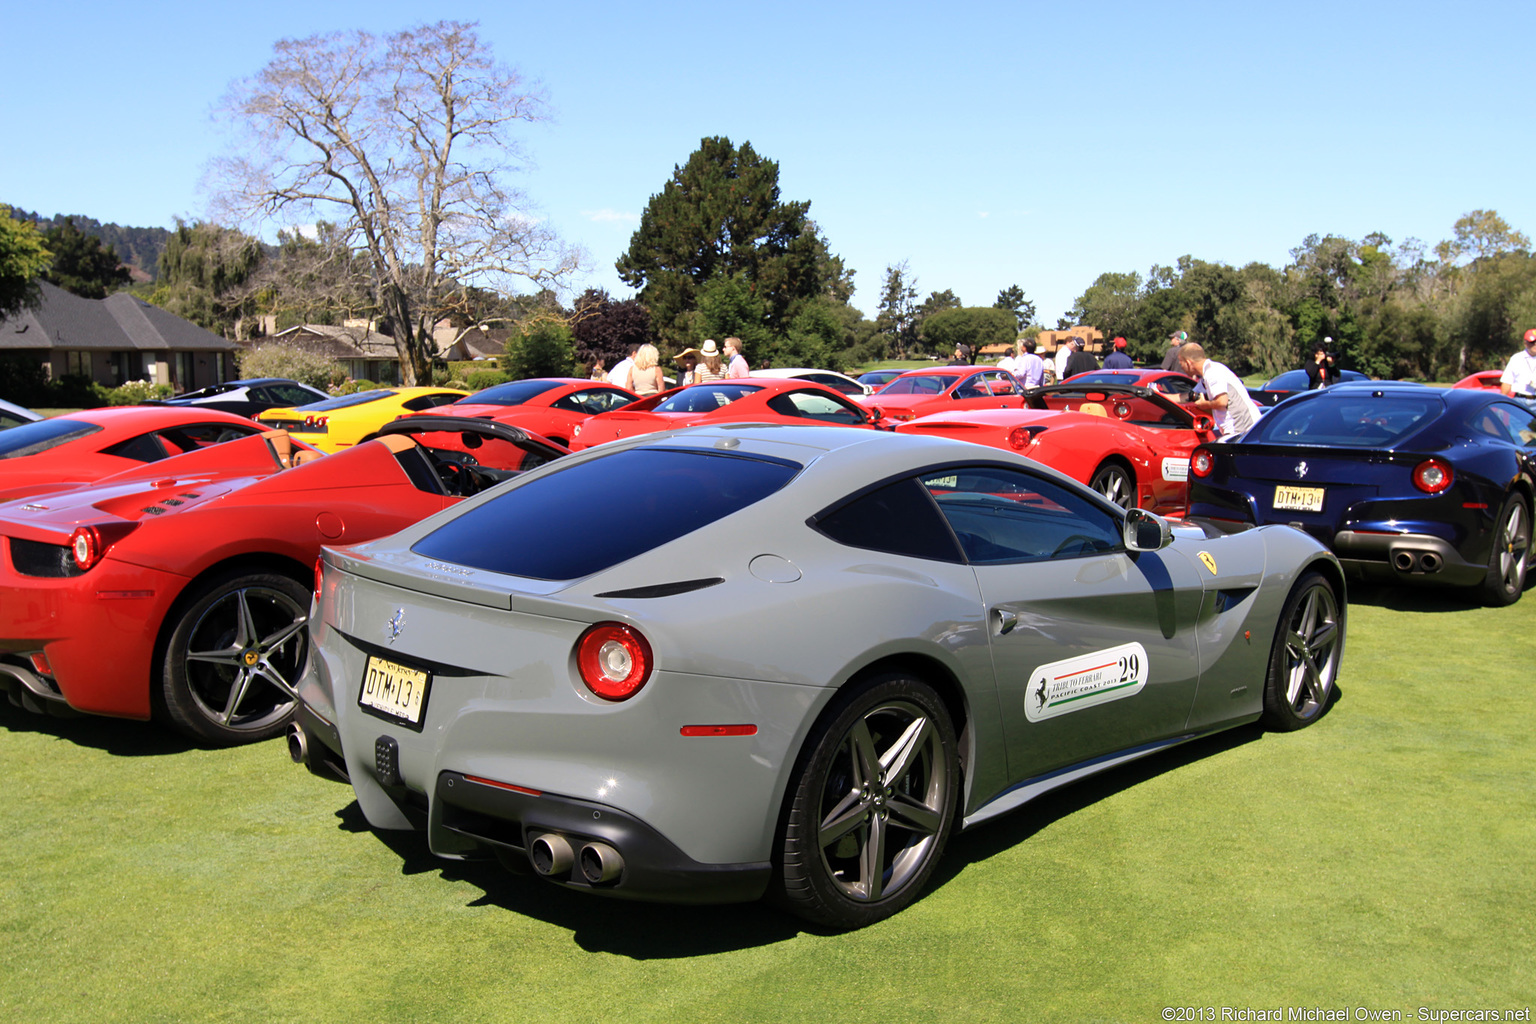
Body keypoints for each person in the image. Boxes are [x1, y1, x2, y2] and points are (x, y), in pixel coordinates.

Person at [1178, 341, 1263, 438]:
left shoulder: (1213, 373)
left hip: (1243, 428)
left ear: (1188, 363)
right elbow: (1187, 396)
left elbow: (1222, 402)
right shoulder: (1207, 374)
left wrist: (1205, 405)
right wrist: (1158, 394)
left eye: (1181, 363)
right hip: (1237, 429)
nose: (1181, 367)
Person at [1499, 328, 1536, 400]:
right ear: (1525, 343)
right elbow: (1507, 382)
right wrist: (1501, 401)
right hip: (1520, 400)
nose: (1535, 344)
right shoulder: (1516, 359)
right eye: (1532, 342)